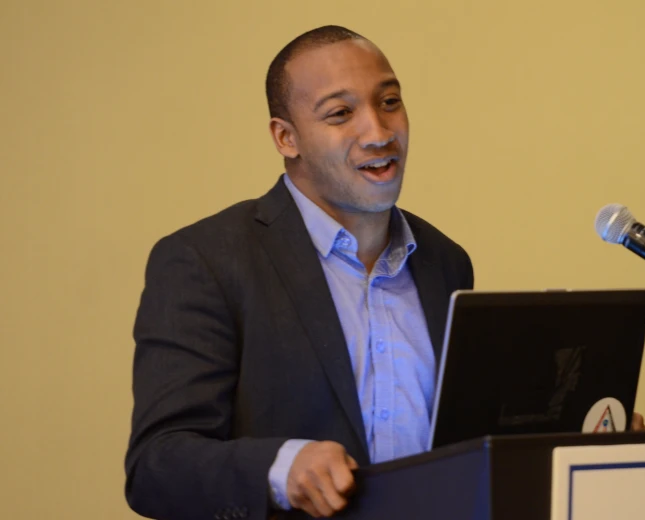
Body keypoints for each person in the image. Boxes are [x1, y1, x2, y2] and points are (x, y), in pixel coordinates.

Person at [125, 25, 474, 520]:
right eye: (340, 113)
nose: (378, 132)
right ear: (286, 138)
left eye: (390, 101)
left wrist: (574, 434)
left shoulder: (446, 260)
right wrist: (280, 467)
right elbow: (156, 466)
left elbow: (463, 444)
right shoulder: (204, 260)